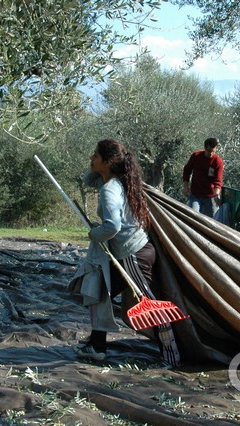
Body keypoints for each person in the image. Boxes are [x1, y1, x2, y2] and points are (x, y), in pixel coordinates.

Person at [72, 138, 156, 361]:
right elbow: (89, 180)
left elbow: (113, 226)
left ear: (108, 162)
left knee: (150, 304)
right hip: (137, 253)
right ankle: (96, 345)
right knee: (100, 292)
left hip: (133, 256)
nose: (91, 158)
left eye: (95, 156)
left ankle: (173, 349)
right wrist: (97, 170)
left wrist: (93, 234)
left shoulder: (110, 189)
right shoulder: (118, 182)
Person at [182, 137, 224, 217]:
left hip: (210, 196)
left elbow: (218, 181)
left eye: (213, 151)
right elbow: (187, 171)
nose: (211, 154)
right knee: (193, 217)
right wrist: (185, 186)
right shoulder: (196, 156)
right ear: (205, 148)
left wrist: (216, 195)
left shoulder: (218, 162)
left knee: (213, 221)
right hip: (195, 195)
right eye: (209, 151)